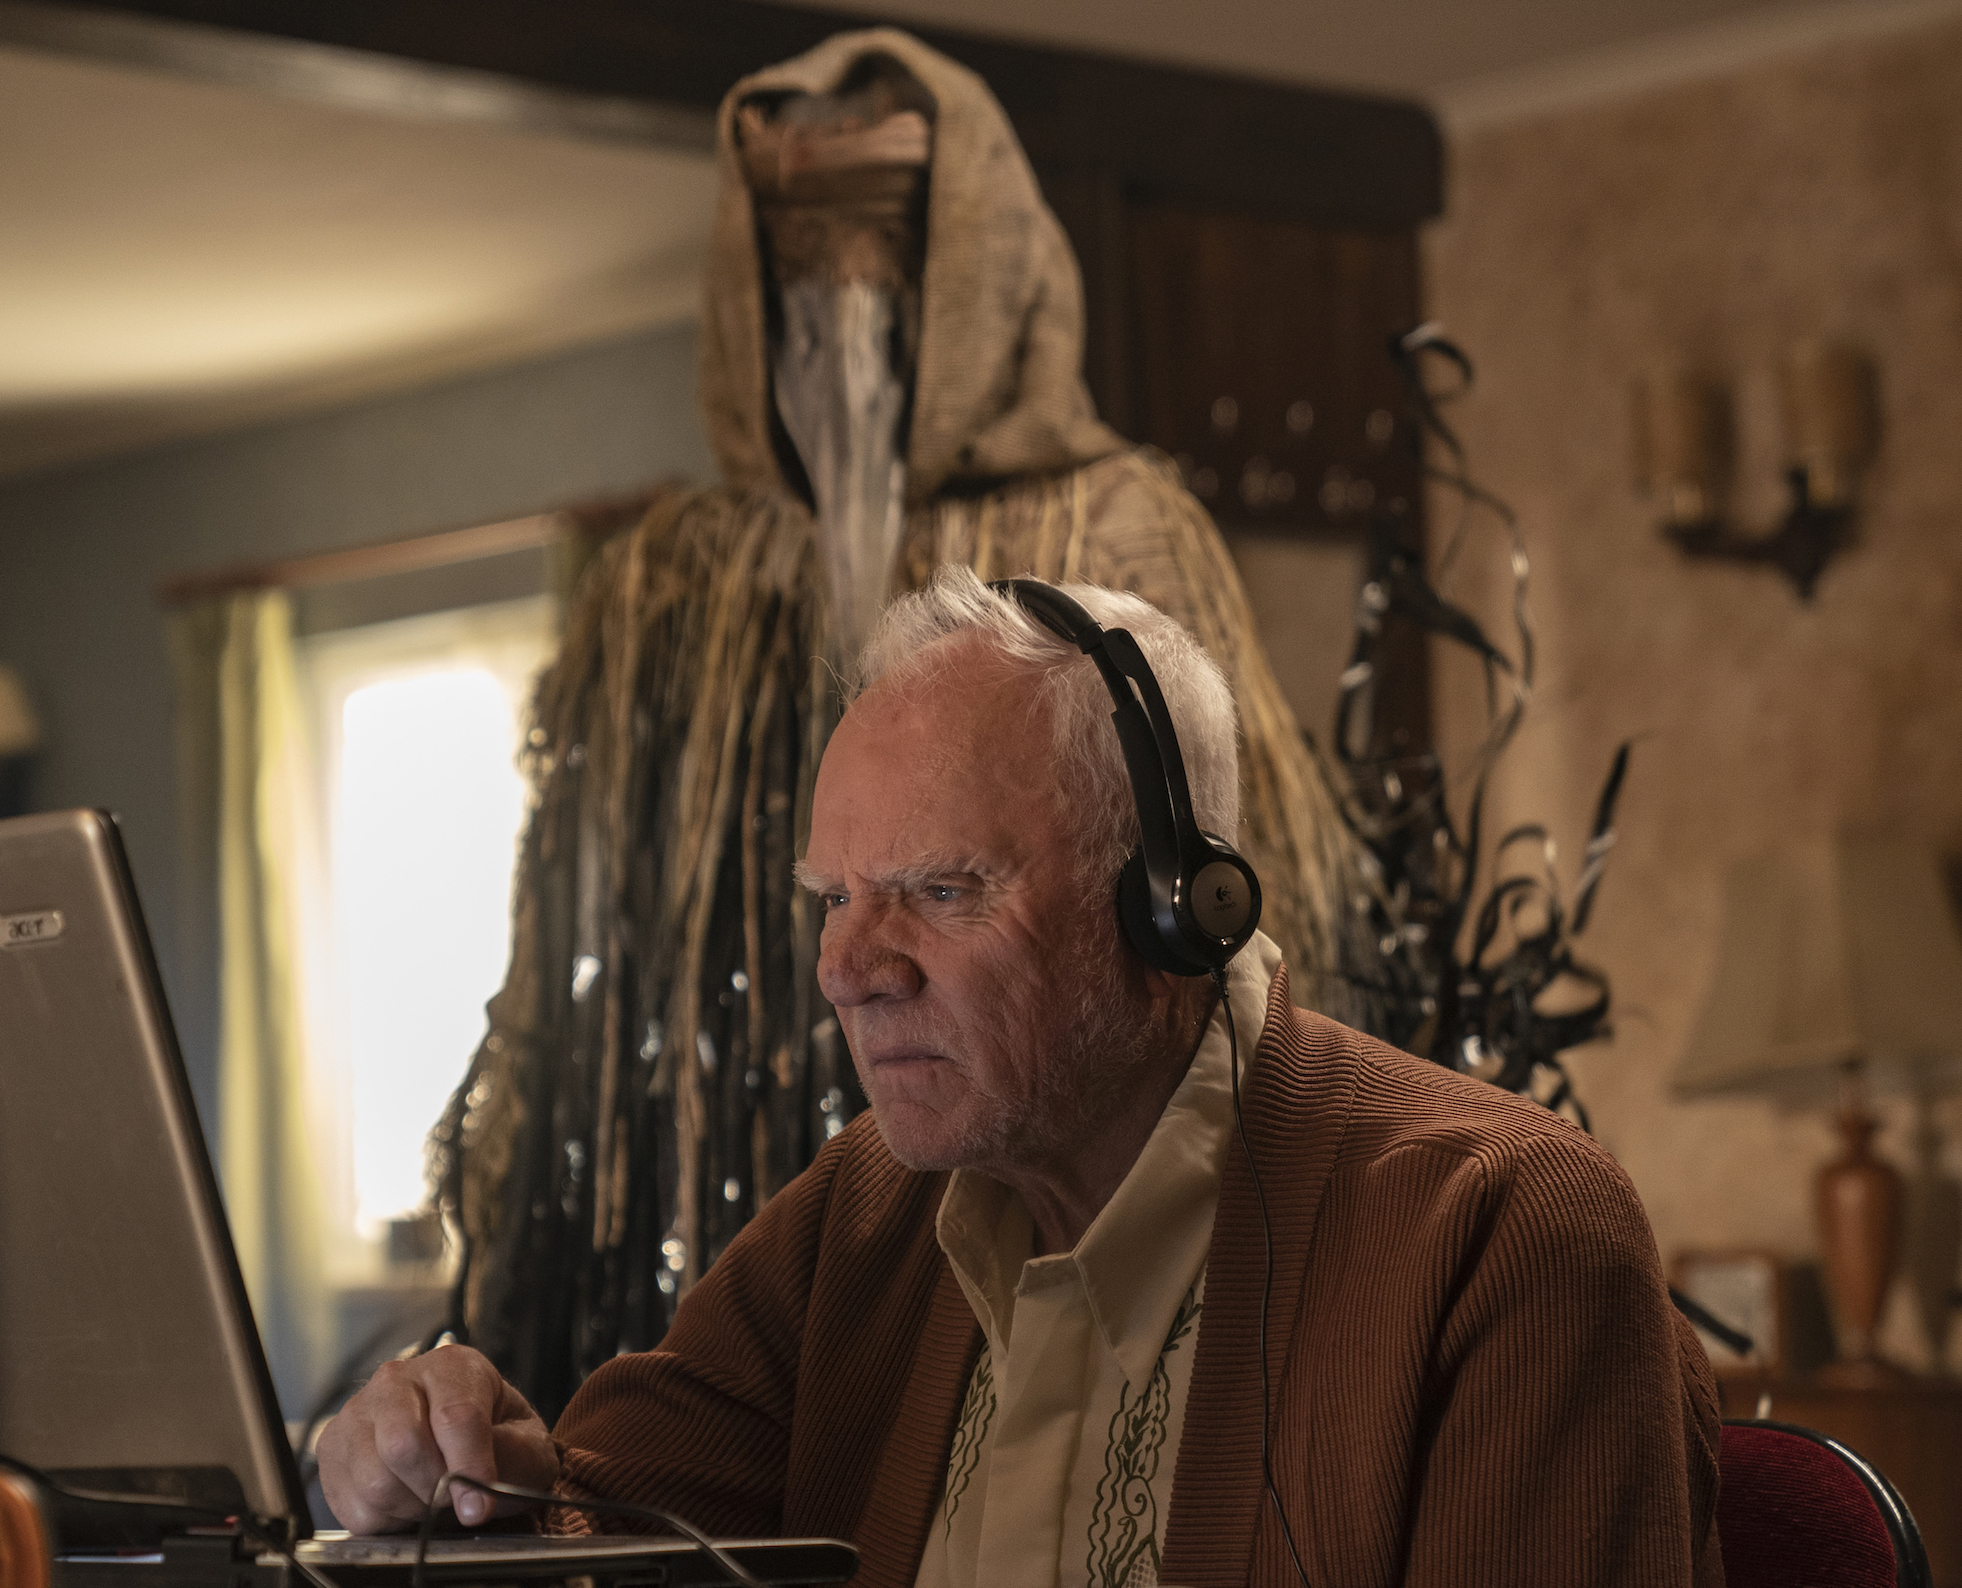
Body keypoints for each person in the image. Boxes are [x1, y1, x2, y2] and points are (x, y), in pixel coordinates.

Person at [324, 572, 1723, 1588]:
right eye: (835, 897)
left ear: (1175, 909)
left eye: (941, 889)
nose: (851, 967)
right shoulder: (858, 1217)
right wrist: (436, 1470)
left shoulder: (1502, 1232)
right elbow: (584, 1522)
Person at [440, 28, 1379, 1414]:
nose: (846, 282)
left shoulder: (1112, 527)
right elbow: (568, 960)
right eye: (800, 242)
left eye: (882, 229)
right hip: (749, 1233)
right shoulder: (670, 578)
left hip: (1104, 1215)